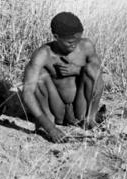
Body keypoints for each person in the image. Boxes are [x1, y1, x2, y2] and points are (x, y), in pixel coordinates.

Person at [22, 12, 106, 143]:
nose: (75, 44)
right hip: (57, 111)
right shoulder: (43, 54)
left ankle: (91, 118)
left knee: (92, 69)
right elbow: (27, 93)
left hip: (81, 109)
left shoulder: (86, 46)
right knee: (38, 75)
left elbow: (99, 75)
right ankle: (47, 121)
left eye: (79, 39)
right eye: (70, 42)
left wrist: (78, 69)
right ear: (56, 37)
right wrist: (50, 129)